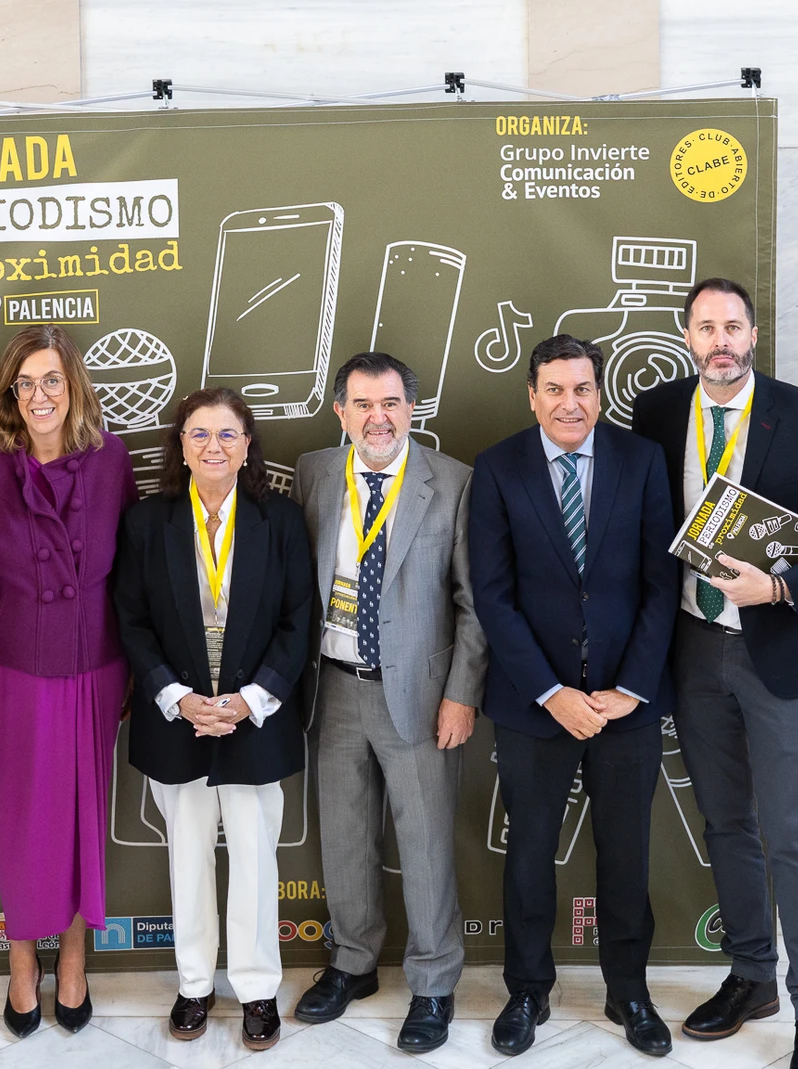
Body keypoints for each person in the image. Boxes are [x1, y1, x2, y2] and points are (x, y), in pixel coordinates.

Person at [632, 278, 798, 1069]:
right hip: (695, 648)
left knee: (792, 834)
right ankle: (750, 975)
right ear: (687, 336)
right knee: (727, 823)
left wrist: (776, 586)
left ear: (754, 333)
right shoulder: (660, 413)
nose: (721, 341)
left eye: (732, 326)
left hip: (777, 651)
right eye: (706, 327)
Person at [469, 335, 680, 1059]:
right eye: (555, 389)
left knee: (626, 852)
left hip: (628, 703)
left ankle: (630, 990)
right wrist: (552, 691)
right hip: (534, 703)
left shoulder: (643, 460)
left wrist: (629, 688)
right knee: (527, 853)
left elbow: (662, 585)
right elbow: (493, 597)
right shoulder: (498, 468)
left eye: (583, 387)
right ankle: (528, 989)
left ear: (600, 391)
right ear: (532, 395)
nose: (570, 402)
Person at [0, 325, 136, 1039]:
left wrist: (139, 669)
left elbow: (133, 577)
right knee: (20, 825)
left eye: (52, 380)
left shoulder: (112, 460)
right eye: (26, 384)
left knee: (85, 820)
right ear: (10, 395)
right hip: (5, 672)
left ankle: (75, 963)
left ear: (73, 386)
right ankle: (22, 965)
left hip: (94, 668)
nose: (40, 395)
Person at [289, 352, 486, 1054]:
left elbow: (473, 603)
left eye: (393, 403)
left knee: (427, 842)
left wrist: (462, 693)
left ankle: (433, 983)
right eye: (364, 404)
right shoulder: (314, 473)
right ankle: (353, 962)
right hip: (334, 684)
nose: (379, 417)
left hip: (422, 694)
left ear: (413, 409)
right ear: (339, 411)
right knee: (341, 835)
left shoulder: (454, 481)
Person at [112, 388, 314, 1052]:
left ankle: (258, 991)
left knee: (257, 860)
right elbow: (132, 621)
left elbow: (298, 621)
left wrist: (250, 700)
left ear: (248, 444)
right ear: (181, 445)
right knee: (187, 859)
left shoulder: (279, 520)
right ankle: (195, 983)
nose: (213, 447)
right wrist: (175, 694)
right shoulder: (148, 522)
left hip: (257, 719)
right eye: (199, 435)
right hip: (177, 719)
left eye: (227, 435)